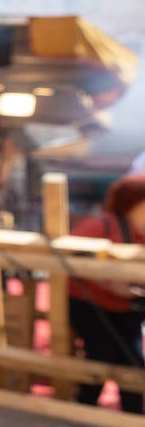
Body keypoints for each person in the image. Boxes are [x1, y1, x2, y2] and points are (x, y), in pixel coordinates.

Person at [69, 172, 145, 414]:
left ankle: (133, 415)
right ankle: (85, 409)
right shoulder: (100, 224)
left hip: (128, 308)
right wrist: (108, 282)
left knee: (133, 360)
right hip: (90, 304)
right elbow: (71, 257)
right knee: (100, 352)